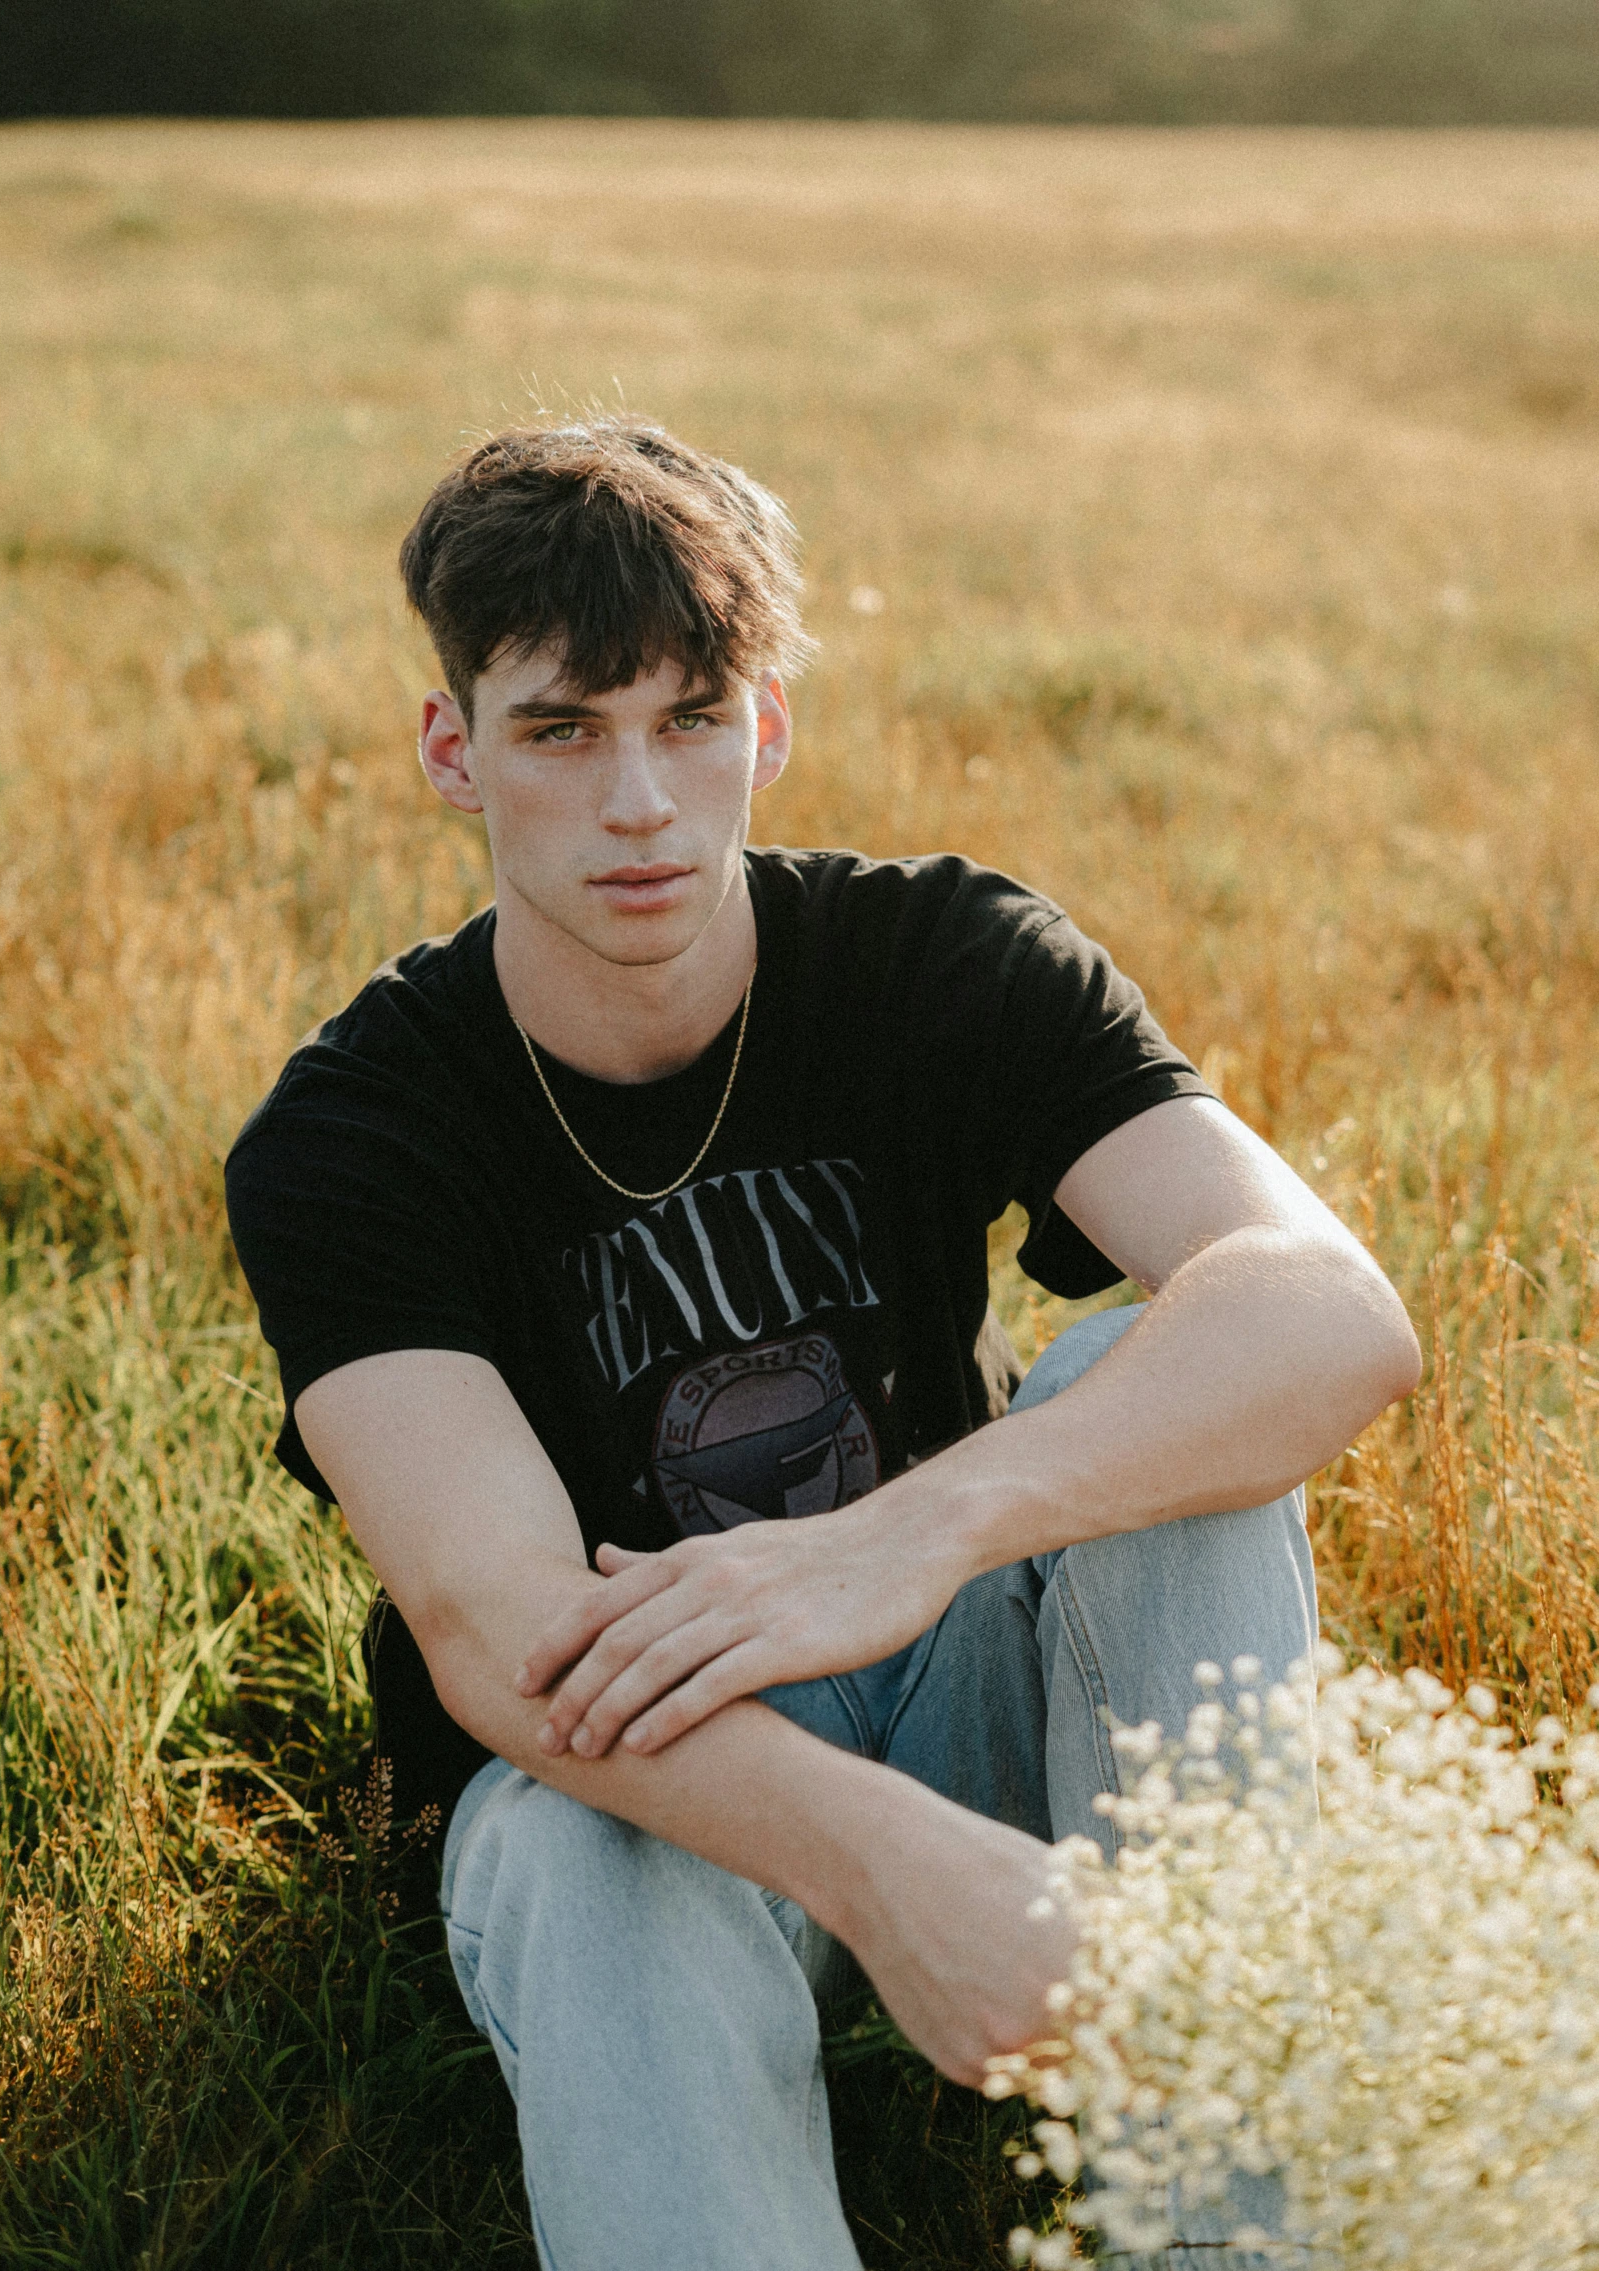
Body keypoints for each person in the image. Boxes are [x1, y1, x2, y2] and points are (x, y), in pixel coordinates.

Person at [225, 418, 1420, 2271]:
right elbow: (494, 1626)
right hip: (665, 1771)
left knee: (1142, 1388)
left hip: (941, 1673)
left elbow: (1330, 1311)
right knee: (572, 1830)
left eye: (691, 718)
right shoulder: (357, 1131)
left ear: (766, 729)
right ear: (452, 751)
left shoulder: (938, 953)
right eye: (562, 729)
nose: (640, 802)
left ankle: (1223, 2231)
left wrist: (901, 1538)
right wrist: (884, 1861)